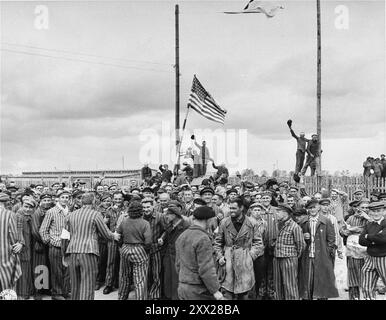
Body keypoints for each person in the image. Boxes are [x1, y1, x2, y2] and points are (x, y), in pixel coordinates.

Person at [62, 193, 119, 300]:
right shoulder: (95, 214)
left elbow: (64, 237)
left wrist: (64, 254)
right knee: (88, 284)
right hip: (89, 252)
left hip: (72, 252)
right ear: (93, 202)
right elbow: (106, 234)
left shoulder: (71, 215)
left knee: (75, 285)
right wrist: (114, 235)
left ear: (81, 202)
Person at [214, 197, 263, 300]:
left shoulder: (252, 223)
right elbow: (217, 242)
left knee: (245, 292)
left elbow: (258, 243)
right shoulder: (224, 222)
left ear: (241, 208)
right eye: (230, 208)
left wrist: (250, 256)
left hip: (245, 260)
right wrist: (220, 257)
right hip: (228, 260)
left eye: (234, 208)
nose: (231, 211)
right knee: (227, 291)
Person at [175, 206, 224, 300]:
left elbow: (178, 264)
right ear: (209, 220)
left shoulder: (182, 236)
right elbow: (206, 269)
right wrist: (215, 291)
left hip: (183, 287)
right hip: (198, 291)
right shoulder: (203, 238)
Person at [298, 199, 338, 300]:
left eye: (314, 207)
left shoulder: (325, 221)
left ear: (318, 207)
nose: (312, 210)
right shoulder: (303, 221)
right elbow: (297, 238)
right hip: (308, 255)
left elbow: (331, 239)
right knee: (308, 280)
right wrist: (303, 236)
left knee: (322, 280)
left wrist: (328, 251)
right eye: (310, 208)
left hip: (322, 255)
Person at [39, 189, 71, 300]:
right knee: (56, 270)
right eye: (62, 197)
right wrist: (50, 242)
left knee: (67, 270)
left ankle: (65, 291)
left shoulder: (70, 211)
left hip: (68, 246)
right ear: (57, 199)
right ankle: (57, 293)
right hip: (56, 246)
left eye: (67, 197)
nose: (65, 199)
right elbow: (43, 230)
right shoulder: (51, 212)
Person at [116, 201, 151, 300]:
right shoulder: (145, 223)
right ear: (141, 211)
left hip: (125, 248)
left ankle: (122, 297)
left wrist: (121, 246)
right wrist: (146, 251)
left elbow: (118, 236)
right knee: (140, 278)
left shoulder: (124, 221)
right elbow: (148, 241)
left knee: (124, 276)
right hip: (139, 248)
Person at [159, 201, 190, 300]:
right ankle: (169, 296)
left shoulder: (185, 225)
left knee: (177, 279)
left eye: (168, 214)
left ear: (174, 215)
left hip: (180, 256)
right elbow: (166, 232)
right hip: (169, 254)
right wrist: (162, 238)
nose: (166, 217)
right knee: (168, 278)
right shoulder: (170, 224)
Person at [340, 199, 371, 300]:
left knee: (367, 276)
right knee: (353, 275)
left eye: (367, 208)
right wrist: (344, 232)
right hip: (352, 251)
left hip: (367, 253)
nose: (365, 209)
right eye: (363, 207)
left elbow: (375, 229)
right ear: (358, 208)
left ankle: (368, 296)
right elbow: (342, 229)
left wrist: (359, 228)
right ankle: (353, 297)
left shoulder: (371, 219)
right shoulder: (350, 219)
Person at [274, 204, 305, 300]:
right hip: (277, 258)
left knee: (290, 285)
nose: (277, 214)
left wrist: (294, 256)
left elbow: (301, 245)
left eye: (279, 211)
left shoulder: (294, 227)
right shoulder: (277, 224)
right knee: (278, 286)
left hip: (289, 259)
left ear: (285, 213)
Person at [359, 201, 386, 300]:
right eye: (373, 211)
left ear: (383, 211)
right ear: (370, 213)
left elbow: (383, 238)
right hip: (370, 258)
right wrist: (375, 239)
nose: (375, 213)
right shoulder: (369, 224)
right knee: (367, 285)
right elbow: (361, 240)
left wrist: (368, 236)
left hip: (383, 258)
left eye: (378, 211)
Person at [30, 192, 53, 299]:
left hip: (47, 243)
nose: (47, 202)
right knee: (39, 266)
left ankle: (45, 288)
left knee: (46, 266)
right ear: (40, 202)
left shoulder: (49, 212)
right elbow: (35, 231)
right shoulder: (37, 213)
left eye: (49, 200)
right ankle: (37, 291)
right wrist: (45, 240)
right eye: (44, 200)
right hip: (39, 244)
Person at [103, 191, 126, 294]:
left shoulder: (127, 210)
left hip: (124, 240)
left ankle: (123, 285)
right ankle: (109, 284)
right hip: (112, 239)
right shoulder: (109, 210)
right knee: (111, 262)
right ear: (113, 199)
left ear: (123, 199)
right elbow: (104, 224)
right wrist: (110, 234)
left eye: (119, 199)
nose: (117, 201)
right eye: (115, 199)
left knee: (123, 264)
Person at [142, 198, 164, 300]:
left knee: (156, 273)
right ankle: (145, 294)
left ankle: (155, 295)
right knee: (145, 273)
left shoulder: (160, 216)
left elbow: (166, 230)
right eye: (144, 207)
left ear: (153, 206)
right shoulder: (140, 217)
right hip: (143, 249)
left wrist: (162, 238)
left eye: (148, 207)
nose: (146, 209)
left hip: (156, 248)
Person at [0, 193, 22, 294]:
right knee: (7, 284)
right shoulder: (9, 214)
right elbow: (13, 235)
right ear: (7, 203)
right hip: (5, 255)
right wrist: (18, 243)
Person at [259, 191, 278, 300]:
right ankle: (261, 292)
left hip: (272, 246)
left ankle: (271, 292)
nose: (265, 200)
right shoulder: (257, 210)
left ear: (271, 199)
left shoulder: (275, 211)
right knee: (261, 270)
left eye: (267, 198)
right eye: (263, 198)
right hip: (260, 246)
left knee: (271, 270)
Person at [248, 202, 267, 299]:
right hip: (249, 252)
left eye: (259, 210)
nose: (257, 212)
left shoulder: (264, 223)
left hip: (260, 253)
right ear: (251, 211)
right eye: (255, 210)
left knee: (259, 275)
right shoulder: (247, 221)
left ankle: (257, 293)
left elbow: (265, 237)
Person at [95, 192, 112, 290]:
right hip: (101, 239)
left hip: (111, 238)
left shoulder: (112, 210)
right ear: (101, 202)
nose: (107, 203)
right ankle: (97, 280)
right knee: (99, 261)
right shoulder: (97, 211)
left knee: (109, 261)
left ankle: (109, 281)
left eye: (108, 201)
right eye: (105, 201)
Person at [319, 198, 344, 263]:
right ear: (319, 206)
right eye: (323, 205)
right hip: (319, 246)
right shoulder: (317, 217)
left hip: (331, 246)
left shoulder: (333, 219)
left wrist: (339, 250)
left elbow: (336, 234)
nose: (325, 207)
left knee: (330, 266)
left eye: (327, 205)